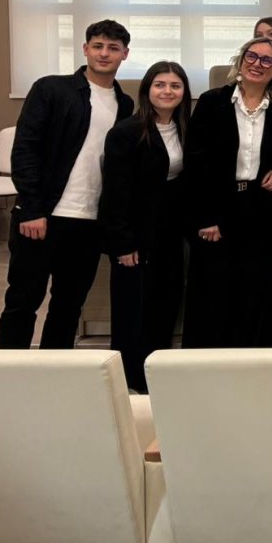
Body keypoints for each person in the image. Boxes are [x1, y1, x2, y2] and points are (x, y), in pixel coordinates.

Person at [0, 20, 134, 349]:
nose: (104, 53)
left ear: (125, 54)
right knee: (22, 302)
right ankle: (7, 371)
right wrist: (32, 209)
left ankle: (54, 370)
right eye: (97, 46)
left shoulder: (125, 104)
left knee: (68, 306)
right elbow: (25, 149)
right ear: (85, 49)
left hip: (89, 223)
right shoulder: (51, 89)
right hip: (43, 216)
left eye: (113, 48)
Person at [183, 36, 272, 348]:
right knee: (213, 293)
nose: (257, 64)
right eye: (251, 56)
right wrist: (207, 216)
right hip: (218, 207)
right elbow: (196, 162)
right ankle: (209, 368)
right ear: (241, 61)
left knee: (257, 295)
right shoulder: (212, 102)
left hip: (262, 209)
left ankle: (254, 368)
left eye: (267, 60)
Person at [98, 61, 192, 392]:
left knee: (165, 302)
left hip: (169, 232)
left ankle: (156, 376)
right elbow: (115, 193)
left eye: (175, 85)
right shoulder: (126, 132)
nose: (167, 91)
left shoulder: (185, 128)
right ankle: (130, 381)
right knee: (132, 310)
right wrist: (123, 244)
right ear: (147, 90)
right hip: (134, 235)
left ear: (184, 92)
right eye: (160, 85)